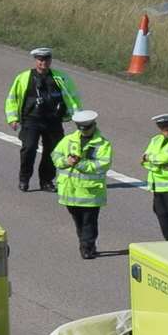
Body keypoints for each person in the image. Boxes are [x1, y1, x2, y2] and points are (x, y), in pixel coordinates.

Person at [5, 47, 81, 192]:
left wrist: (78, 117)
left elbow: (73, 98)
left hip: (53, 120)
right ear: (36, 61)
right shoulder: (24, 77)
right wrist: (13, 118)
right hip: (31, 119)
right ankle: (24, 178)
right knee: (29, 148)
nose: (43, 63)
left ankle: (46, 181)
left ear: (50, 60)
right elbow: (12, 98)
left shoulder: (61, 78)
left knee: (53, 152)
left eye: (46, 59)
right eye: (40, 60)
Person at [53, 110, 111, 259]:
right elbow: (56, 155)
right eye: (80, 128)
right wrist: (66, 162)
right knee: (78, 222)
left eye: (87, 128)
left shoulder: (103, 144)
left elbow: (102, 165)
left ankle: (87, 248)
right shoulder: (68, 140)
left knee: (89, 222)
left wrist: (80, 163)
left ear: (94, 125)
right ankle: (84, 243)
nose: (84, 131)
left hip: (90, 192)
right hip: (70, 191)